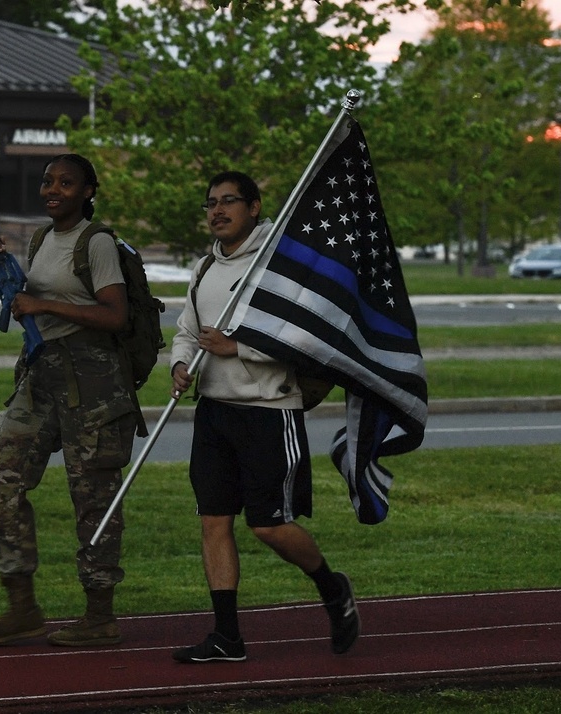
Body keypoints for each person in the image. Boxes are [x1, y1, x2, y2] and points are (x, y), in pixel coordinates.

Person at [169, 170, 360, 663]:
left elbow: (305, 337)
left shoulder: (280, 266)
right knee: (214, 521)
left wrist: (238, 348)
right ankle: (227, 636)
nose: (217, 210)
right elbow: (188, 330)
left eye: (228, 201)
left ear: (254, 207)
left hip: (268, 412)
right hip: (214, 413)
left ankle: (332, 586)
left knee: (270, 526)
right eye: (210, 202)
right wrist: (180, 364)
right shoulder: (204, 269)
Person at [0, 154, 139, 648]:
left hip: (93, 385)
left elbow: (115, 316)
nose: (53, 189)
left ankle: (99, 615)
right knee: (5, 483)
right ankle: (22, 607)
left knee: (94, 499)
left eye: (66, 183)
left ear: (88, 191)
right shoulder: (42, 238)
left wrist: (42, 304)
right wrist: (1, 269)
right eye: (48, 181)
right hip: (41, 376)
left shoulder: (98, 242)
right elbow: (30, 297)